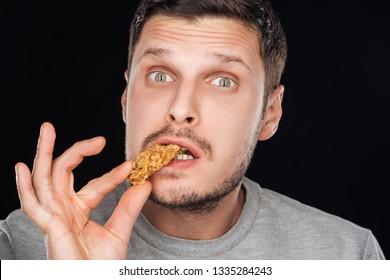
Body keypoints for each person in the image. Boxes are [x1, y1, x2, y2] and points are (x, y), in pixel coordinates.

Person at [0, 0, 385, 260]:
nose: (181, 109)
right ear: (125, 99)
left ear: (269, 114)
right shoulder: (23, 244)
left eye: (222, 81)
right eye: (161, 74)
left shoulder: (347, 254)